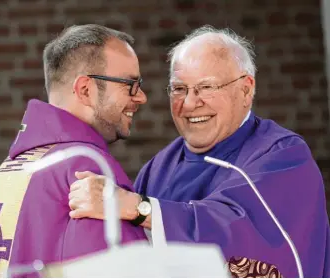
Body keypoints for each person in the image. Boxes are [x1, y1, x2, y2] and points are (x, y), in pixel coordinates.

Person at [68, 25, 330, 278]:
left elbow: (241, 234)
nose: (191, 103)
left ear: (246, 89)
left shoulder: (282, 155)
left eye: (207, 87)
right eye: (179, 89)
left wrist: (139, 209)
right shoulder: (158, 168)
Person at [0, 24, 148, 278]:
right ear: (85, 90)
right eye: (130, 84)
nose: (142, 97)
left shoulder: (13, 167)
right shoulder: (85, 165)